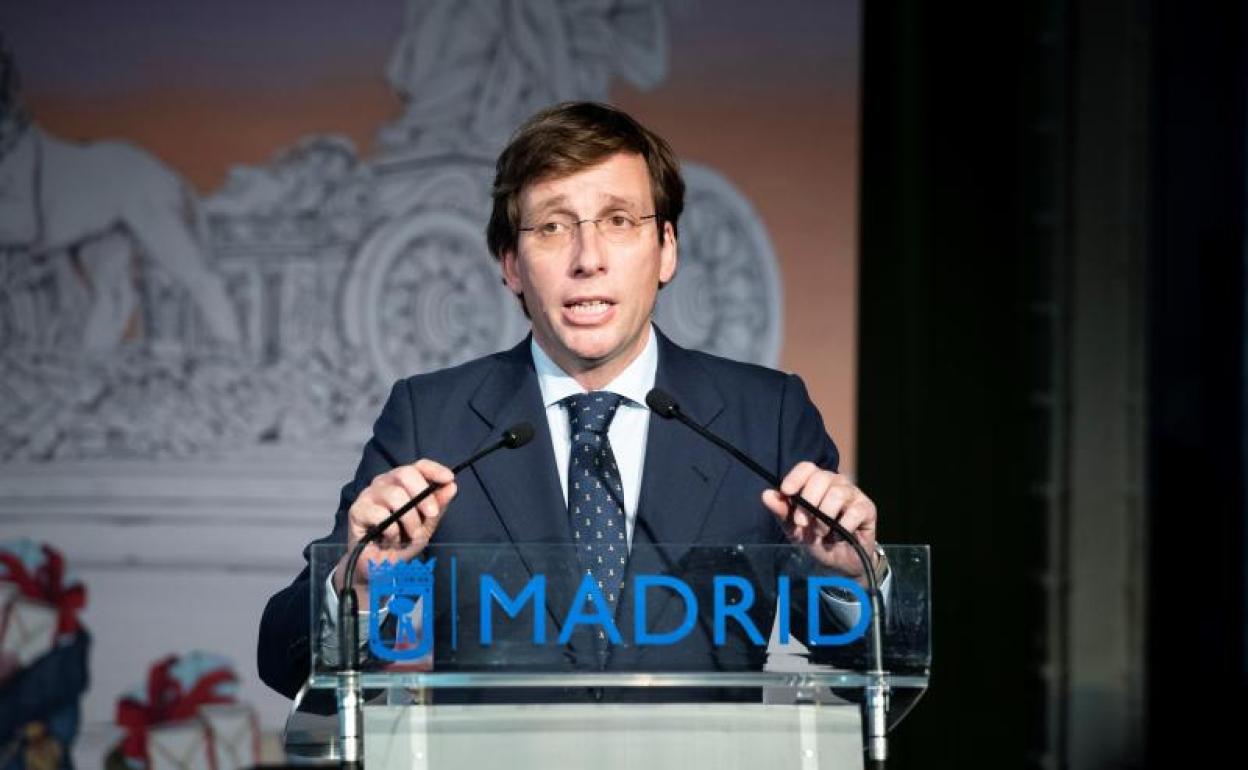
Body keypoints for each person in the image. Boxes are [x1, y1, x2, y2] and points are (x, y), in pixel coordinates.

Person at [258, 102, 886, 700]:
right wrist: (361, 587)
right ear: (511, 264)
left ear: (667, 249)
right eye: (553, 227)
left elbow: (860, 658)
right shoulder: (433, 420)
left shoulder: (764, 416)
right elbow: (284, 661)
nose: (588, 259)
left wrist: (853, 578)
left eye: (619, 221)